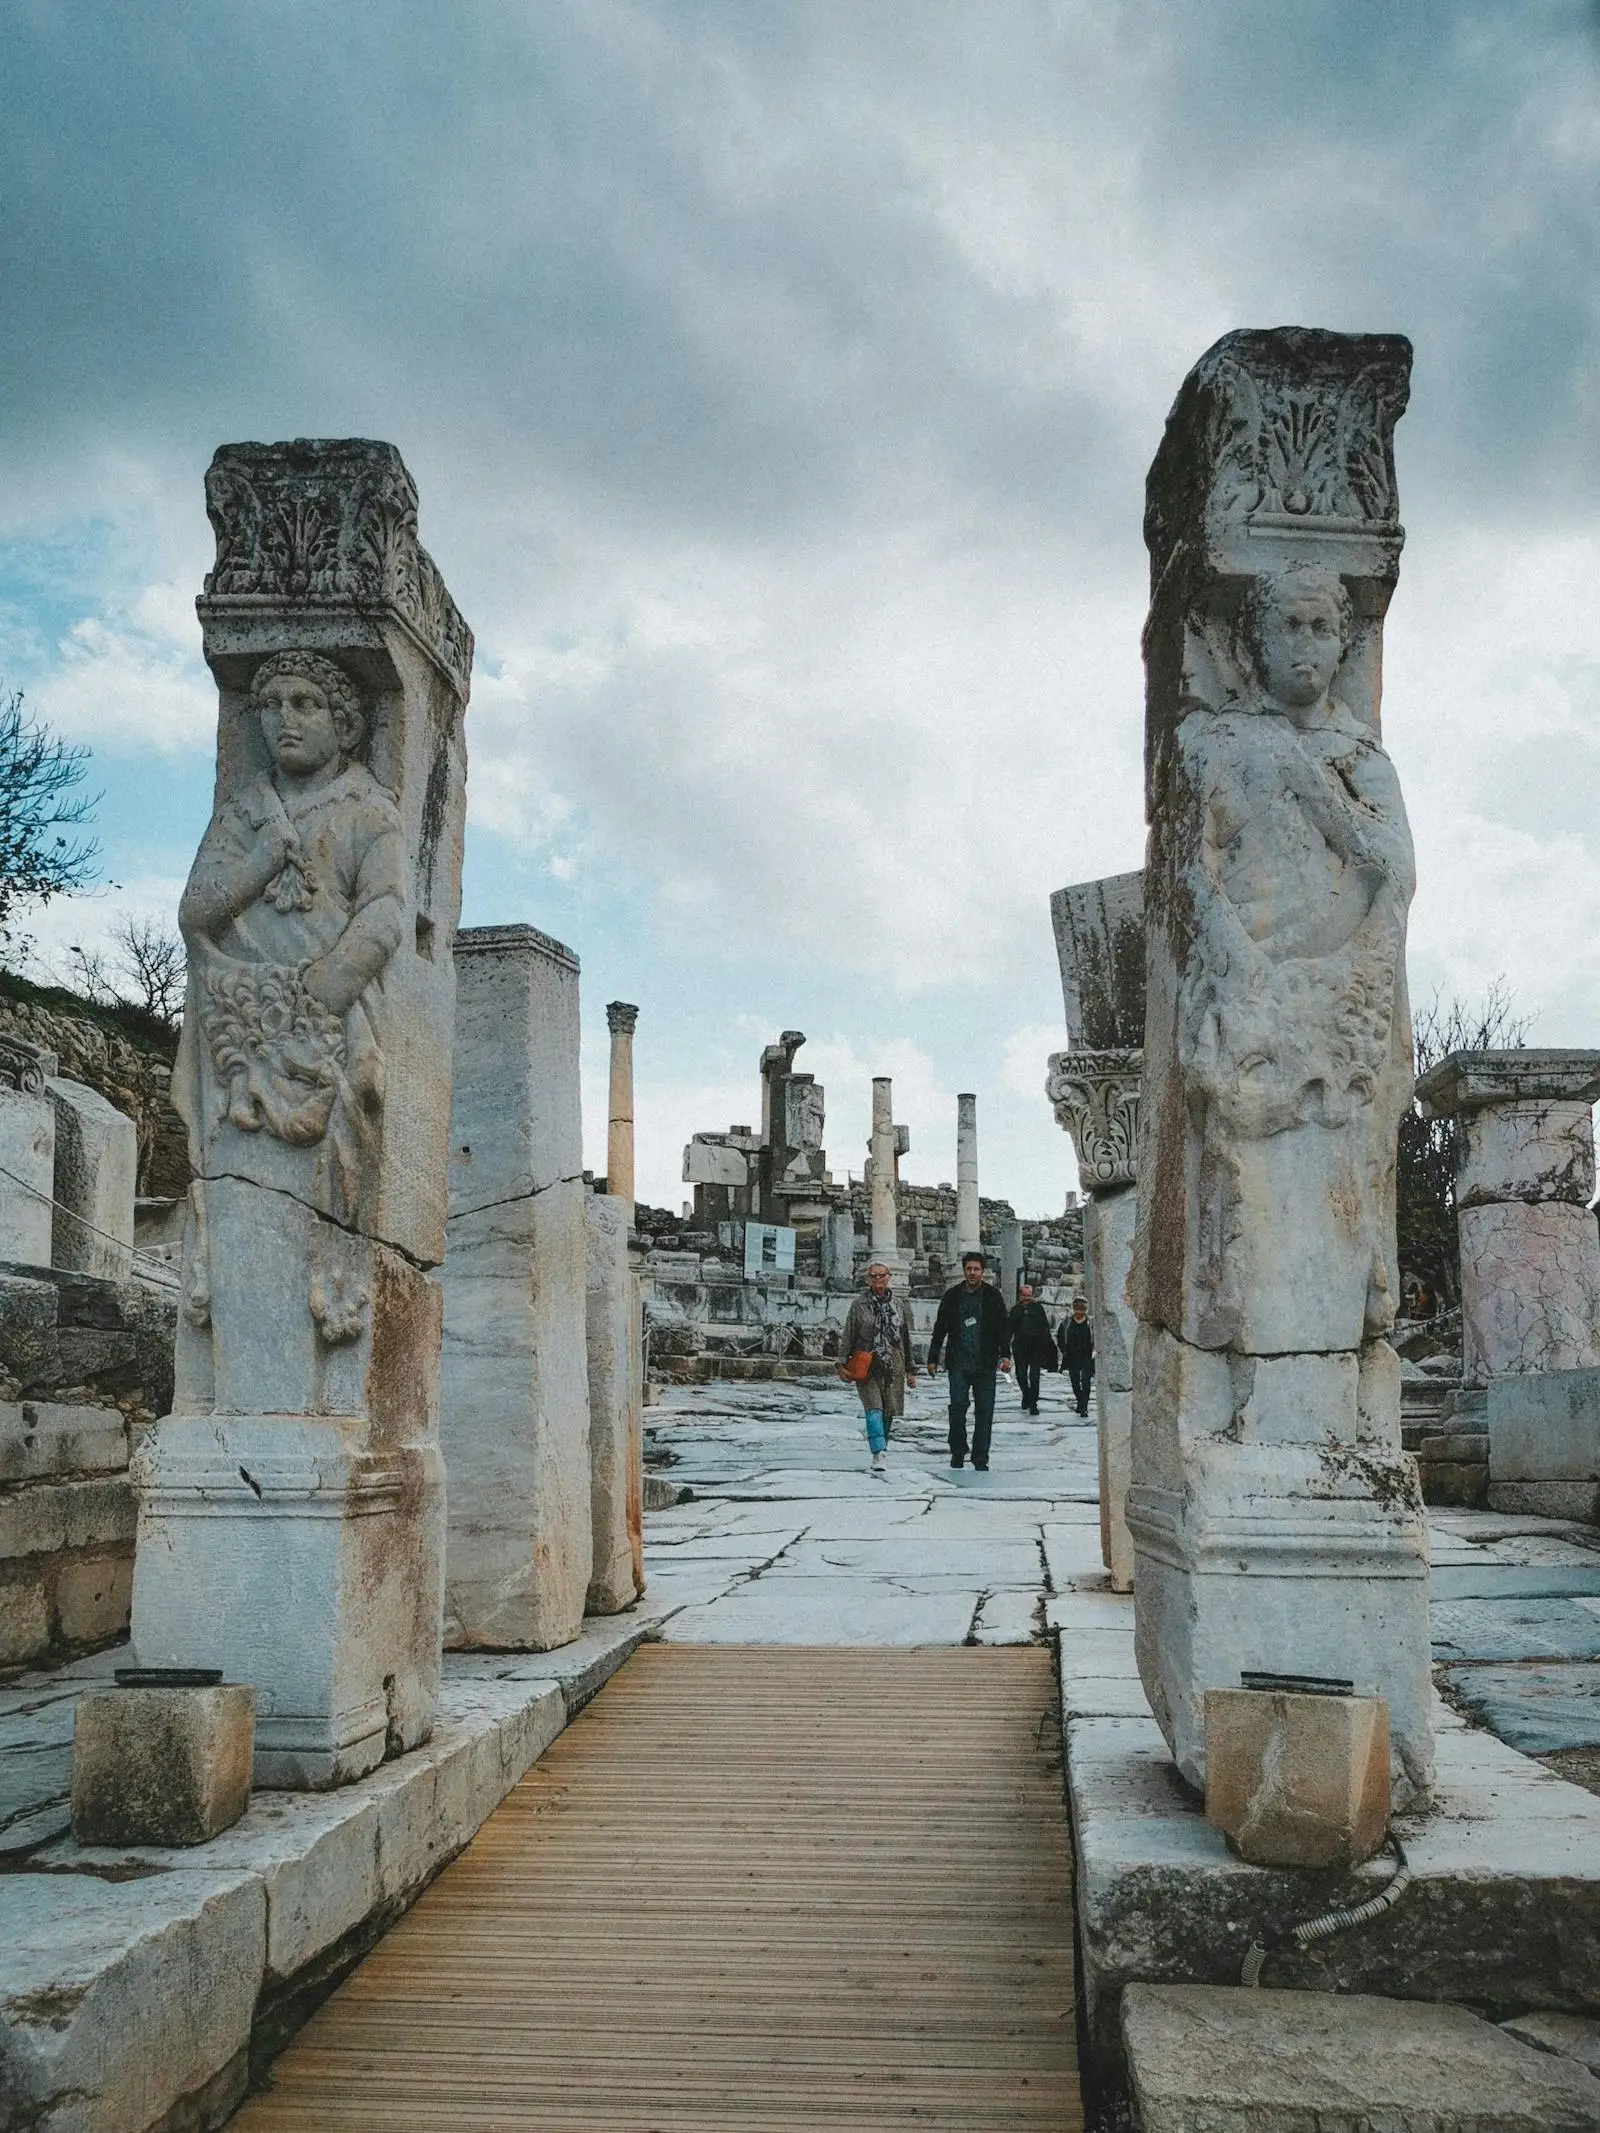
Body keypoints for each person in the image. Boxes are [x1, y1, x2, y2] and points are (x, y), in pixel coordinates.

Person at [927, 1251, 1012, 1471]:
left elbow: (1004, 1327)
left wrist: (1005, 1355)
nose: (972, 1273)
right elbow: (940, 1327)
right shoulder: (952, 1296)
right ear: (963, 1270)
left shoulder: (993, 1296)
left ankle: (980, 1456)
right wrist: (933, 1357)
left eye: (976, 1269)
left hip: (985, 1362)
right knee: (957, 1407)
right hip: (958, 1362)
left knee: (985, 1410)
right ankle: (958, 1450)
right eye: (969, 1269)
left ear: (982, 1271)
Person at [838, 1261, 915, 1478]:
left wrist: (911, 1369)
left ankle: (883, 1444)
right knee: (874, 1409)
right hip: (867, 1363)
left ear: (889, 1277)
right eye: (874, 1276)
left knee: (888, 1411)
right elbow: (848, 1334)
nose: (878, 1280)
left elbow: (905, 1338)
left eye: (882, 1275)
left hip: (893, 1364)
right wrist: (841, 1363)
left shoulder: (899, 1305)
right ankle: (878, 1452)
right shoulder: (859, 1305)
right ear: (868, 1279)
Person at [1007, 1283, 1055, 1415]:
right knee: (1020, 1375)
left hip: (1036, 1347)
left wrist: (1047, 1345)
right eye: (1024, 1295)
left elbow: (1045, 1327)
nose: (1027, 1298)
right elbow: (1009, 1329)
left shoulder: (1038, 1308)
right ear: (1020, 1295)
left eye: (1029, 1295)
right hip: (1020, 1347)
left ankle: (1033, 1403)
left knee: (1034, 1376)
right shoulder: (1015, 1310)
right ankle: (1026, 1395)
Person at [1058, 1297, 1094, 1417]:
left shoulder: (1091, 1323)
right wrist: (1064, 1350)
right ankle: (1080, 1400)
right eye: (1077, 1309)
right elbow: (1060, 1337)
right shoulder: (1067, 1322)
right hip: (1072, 1356)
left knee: (1086, 1381)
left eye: (1082, 1309)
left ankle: (1084, 1407)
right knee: (1074, 1382)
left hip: (1087, 1356)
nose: (1079, 1312)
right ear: (1074, 1309)